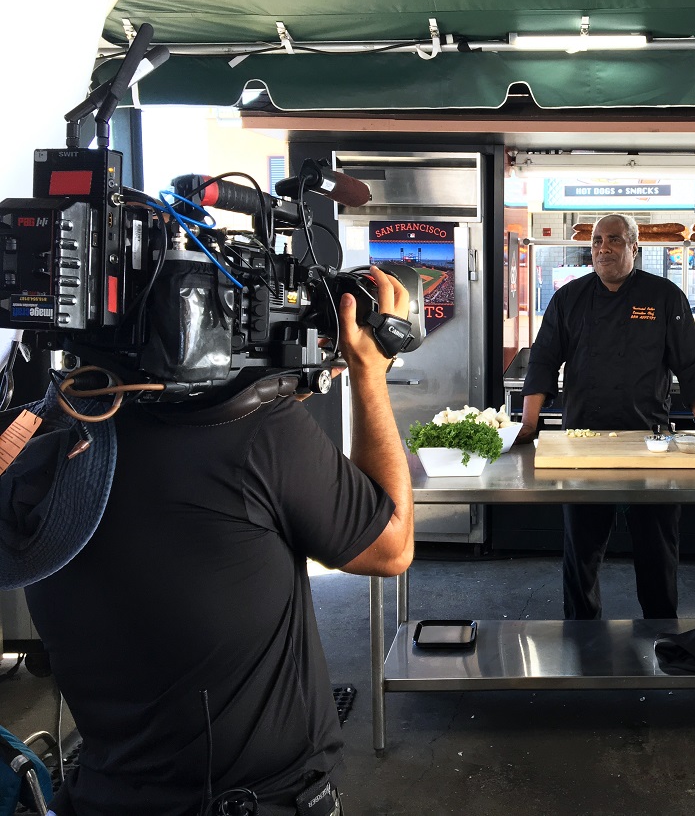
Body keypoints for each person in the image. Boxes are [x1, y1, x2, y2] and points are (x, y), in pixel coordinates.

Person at [23, 265, 416, 816]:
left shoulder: (47, 431)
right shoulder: (257, 435)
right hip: (254, 799)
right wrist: (370, 373)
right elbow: (390, 546)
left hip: (106, 790)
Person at [517, 213, 695, 620]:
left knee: (657, 549)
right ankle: (580, 631)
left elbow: (691, 367)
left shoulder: (664, 297)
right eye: (597, 241)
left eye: (614, 240)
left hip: (651, 443)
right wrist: (529, 423)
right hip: (581, 443)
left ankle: (662, 630)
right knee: (581, 550)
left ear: (634, 248)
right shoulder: (568, 298)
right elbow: (543, 362)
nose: (603, 248)